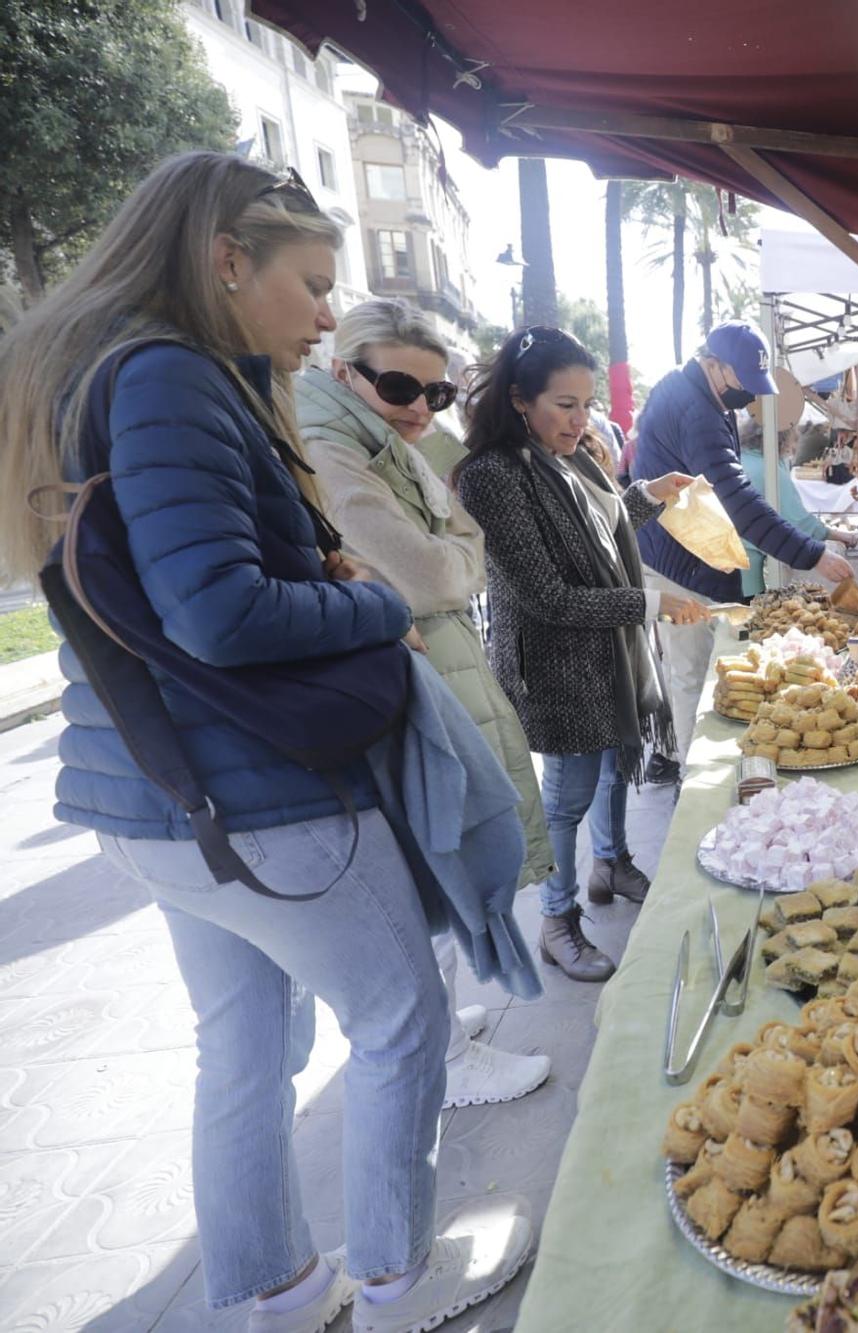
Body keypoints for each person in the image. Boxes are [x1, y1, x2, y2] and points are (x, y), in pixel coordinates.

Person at [0, 152, 532, 1333]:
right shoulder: (171, 377)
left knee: (241, 1047)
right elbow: (221, 611)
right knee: (401, 1022)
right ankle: (399, 1284)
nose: (330, 314)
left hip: (163, 804)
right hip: (264, 801)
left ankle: (275, 1295)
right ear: (227, 262)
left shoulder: (90, 371)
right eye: (313, 282)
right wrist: (383, 603)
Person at [297, 297, 553, 1109]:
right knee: (429, 848)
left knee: (438, 850)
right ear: (344, 371)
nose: (421, 408)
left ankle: (443, 1026)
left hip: (435, 663)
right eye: (402, 386)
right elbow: (439, 571)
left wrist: (454, 546)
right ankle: (441, 1063)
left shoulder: (385, 445)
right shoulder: (336, 453)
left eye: (437, 394)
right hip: (400, 679)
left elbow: (454, 548)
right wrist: (457, 548)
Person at [454, 326, 704, 983]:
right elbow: (550, 596)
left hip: (607, 656)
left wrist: (649, 496)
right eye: (564, 403)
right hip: (553, 664)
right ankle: (557, 921)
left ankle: (611, 862)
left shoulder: (574, 460)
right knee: (566, 796)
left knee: (616, 766)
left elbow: (598, 532)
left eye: (586, 404)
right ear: (518, 399)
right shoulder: (492, 478)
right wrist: (651, 604)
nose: (580, 418)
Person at [633, 321, 854, 769]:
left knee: (698, 670)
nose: (747, 395)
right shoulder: (696, 410)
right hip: (677, 561)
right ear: (713, 365)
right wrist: (812, 554)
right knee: (691, 676)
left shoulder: (696, 395)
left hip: (686, 552)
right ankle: (688, 776)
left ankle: (691, 761)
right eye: (741, 382)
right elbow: (736, 501)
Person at [738, 418, 858, 596]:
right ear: (784, 439)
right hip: (744, 571)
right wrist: (836, 536)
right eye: (794, 440)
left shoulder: (743, 458)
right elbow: (796, 519)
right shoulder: (768, 469)